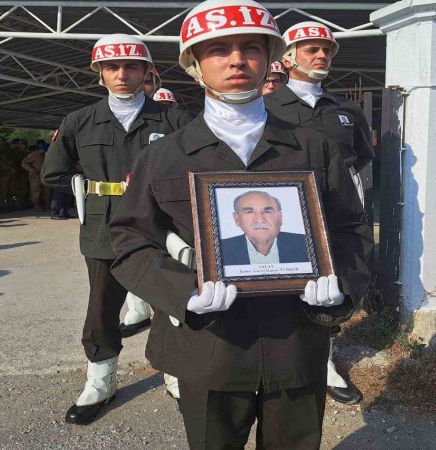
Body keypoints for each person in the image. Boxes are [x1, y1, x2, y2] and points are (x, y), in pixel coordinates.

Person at [107, 1, 373, 447]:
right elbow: (130, 239)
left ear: (270, 59)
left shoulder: (314, 147)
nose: (236, 60)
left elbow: (350, 228)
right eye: (217, 50)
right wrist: (182, 293)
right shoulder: (162, 156)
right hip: (208, 346)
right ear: (194, 64)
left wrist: (342, 285)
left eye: (251, 47)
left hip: (296, 339)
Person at [41, 33, 192, 426]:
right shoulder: (79, 121)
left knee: (168, 302)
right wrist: (89, 188)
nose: (122, 74)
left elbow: (198, 167)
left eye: (131, 66)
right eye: (112, 67)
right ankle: (101, 380)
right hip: (104, 227)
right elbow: (53, 172)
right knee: (102, 306)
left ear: (147, 72)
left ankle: (175, 372)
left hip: (159, 226)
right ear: (100, 74)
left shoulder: (174, 120)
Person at [264, 20, 377, 405]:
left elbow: (361, 155)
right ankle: (276, 360)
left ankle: (323, 363)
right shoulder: (265, 105)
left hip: (334, 212)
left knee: (329, 285)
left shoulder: (347, 109)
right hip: (282, 211)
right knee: (280, 283)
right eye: (312, 49)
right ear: (288, 57)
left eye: (327, 50)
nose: (321, 55)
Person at [220, 190, 308, 266]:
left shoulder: (307, 244)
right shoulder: (220, 249)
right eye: (249, 211)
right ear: (237, 218)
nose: (260, 220)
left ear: (280, 217)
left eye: (268, 211)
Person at [21, 144, 49, 212]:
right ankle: (35, 203)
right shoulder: (33, 155)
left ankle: (44, 203)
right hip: (35, 175)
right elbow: (23, 163)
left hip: (44, 175)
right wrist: (31, 170)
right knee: (35, 190)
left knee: (45, 190)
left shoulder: (45, 155)